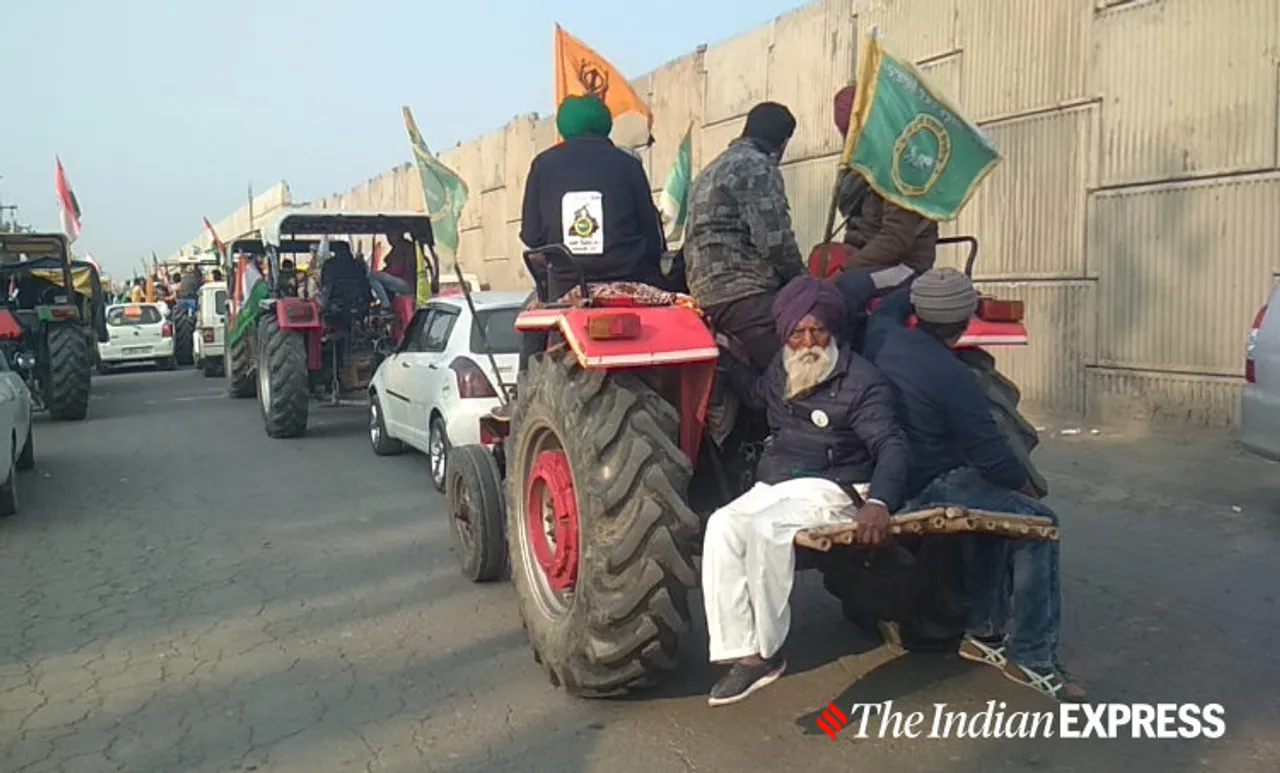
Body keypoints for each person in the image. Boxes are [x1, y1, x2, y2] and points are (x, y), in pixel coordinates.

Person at [867, 268, 1082, 701]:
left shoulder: (881, 335)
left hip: (887, 478)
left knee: (992, 511)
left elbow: (892, 304)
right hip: (930, 484)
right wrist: (1024, 486)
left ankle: (982, 632)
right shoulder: (953, 375)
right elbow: (990, 453)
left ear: (919, 311)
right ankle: (1032, 656)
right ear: (965, 321)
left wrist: (916, 285)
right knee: (1040, 525)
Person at [701, 274, 910, 706]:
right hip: (781, 481)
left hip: (836, 486)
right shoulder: (783, 367)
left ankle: (767, 652)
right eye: (798, 332)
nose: (809, 341)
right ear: (786, 336)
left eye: (818, 330)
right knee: (721, 525)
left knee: (766, 529)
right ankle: (738, 648)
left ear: (833, 330)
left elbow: (891, 444)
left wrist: (879, 502)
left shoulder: (861, 382)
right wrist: (723, 361)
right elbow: (759, 395)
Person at [515, 93, 664, 370]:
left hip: (566, 287)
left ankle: (522, 391)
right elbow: (651, 234)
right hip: (632, 283)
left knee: (529, 325)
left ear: (563, 126)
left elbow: (532, 237)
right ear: (605, 123)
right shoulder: (629, 165)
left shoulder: (542, 165)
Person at [684, 102, 806, 371]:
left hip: (706, 297)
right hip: (747, 296)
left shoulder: (710, 170)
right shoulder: (757, 166)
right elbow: (775, 243)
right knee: (805, 369)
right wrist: (805, 282)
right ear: (783, 142)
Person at [831, 85, 939, 296]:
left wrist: (846, 267)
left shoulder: (902, 170)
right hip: (863, 258)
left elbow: (895, 241)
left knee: (846, 287)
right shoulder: (857, 171)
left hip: (904, 266)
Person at [319, 241, 371, 318]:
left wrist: (324, 304)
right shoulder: (358, 264)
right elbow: (364, 281)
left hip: (336, 298)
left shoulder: (329, 264)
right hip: (356, 299)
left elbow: (325, 283)